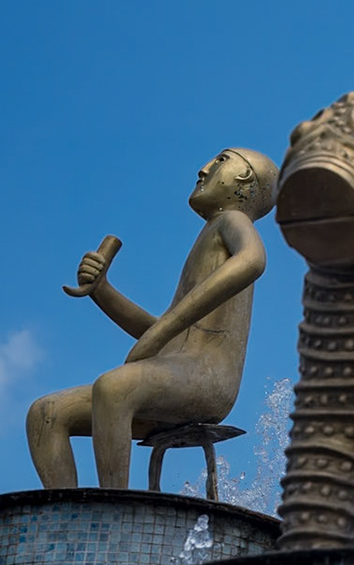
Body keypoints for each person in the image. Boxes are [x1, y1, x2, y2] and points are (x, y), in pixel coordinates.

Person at [26, 147, 276, 489]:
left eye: (219, 161)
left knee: (114, 387)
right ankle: (71, 521)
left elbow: (253, 261)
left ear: (244, 178)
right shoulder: (210, 236)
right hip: (176, 370)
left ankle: (114, 512)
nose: (203, 170)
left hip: (209, 381)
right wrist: (102, 290)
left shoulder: (234, 221)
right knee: (46, 413)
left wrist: (159, 335)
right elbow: (162, 333)